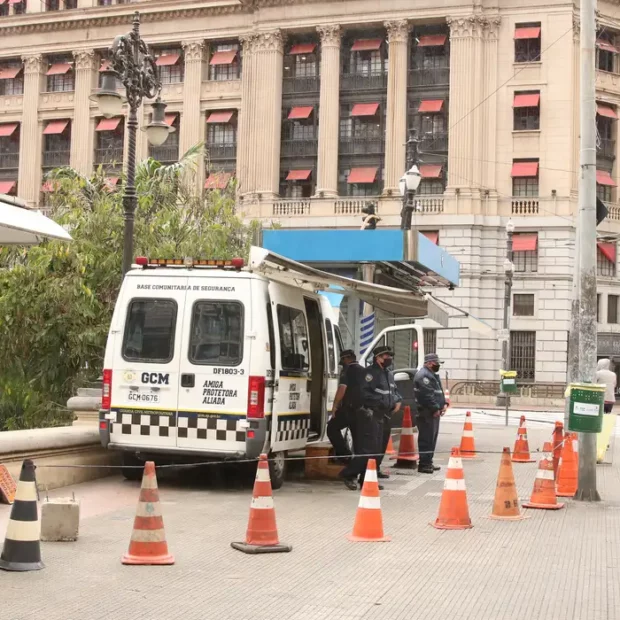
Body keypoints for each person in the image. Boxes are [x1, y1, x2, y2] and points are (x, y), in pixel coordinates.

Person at [339, 345, 401, 490]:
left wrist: (397, 400)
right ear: (377, 358)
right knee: (368, 451)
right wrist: (381, 402)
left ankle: (366, 480)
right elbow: (364, 394)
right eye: (386, 356)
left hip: (384, 416)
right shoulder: (369, 374)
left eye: (390, 356)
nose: (389, 358)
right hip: (371, 415)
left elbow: (395, 391)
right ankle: (348, 473)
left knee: (378, 451)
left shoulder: (389, 374)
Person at [327, 350, 364, 463]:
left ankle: (345, 455)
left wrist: (335, 406)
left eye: (342, 360)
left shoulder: (347, 370)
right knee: (358, 439)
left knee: (332, 428)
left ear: (347, 359)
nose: (342, 363)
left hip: (348, 409)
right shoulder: (364, 370)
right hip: (362, 410)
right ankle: (359, 464)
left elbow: (342, 389)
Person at [413, 353, 447, 474]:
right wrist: (435, 408)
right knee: (426, 438)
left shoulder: (431, 375)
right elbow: (427, 396)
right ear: (428, 363)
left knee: (432, 438)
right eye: (435, 363)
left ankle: (428, 462)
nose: (437, 365)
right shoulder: (424, 376)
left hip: (433, 412)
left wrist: (443, 404)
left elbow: (437, 392)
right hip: (426, 412)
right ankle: (424, 464)